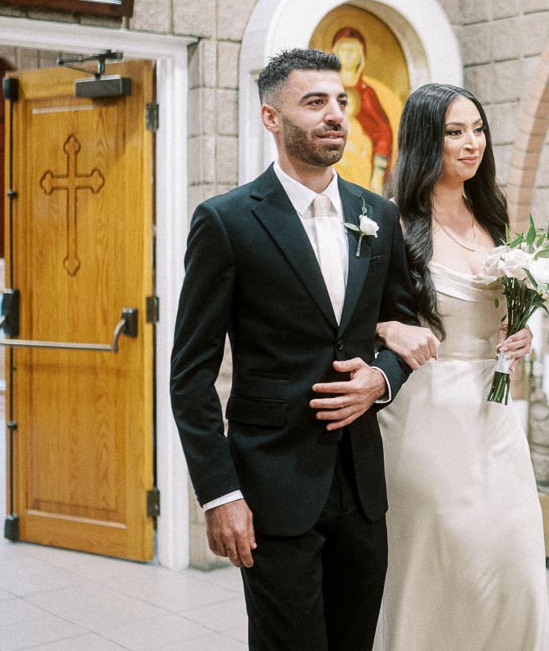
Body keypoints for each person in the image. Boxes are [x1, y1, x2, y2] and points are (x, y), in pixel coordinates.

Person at [170, 48, 438, 650]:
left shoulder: (378, 215)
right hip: (272, 485)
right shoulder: (227, 221)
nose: (335, 114)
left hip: (361, 485)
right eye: (314, 103)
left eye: (340, 101)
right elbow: (190, 375)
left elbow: (401, 322)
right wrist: (221, 494)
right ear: (271, 117)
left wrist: (382, 379)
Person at [373, 82, 549, 651]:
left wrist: (522, 331)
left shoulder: (492, 216)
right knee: (444, 559)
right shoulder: (391, 224)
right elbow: (347, 320)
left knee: (514, 561)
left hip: (493, 411)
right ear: (427, 140)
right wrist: (388, 329)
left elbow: (503, 310)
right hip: (425, 412)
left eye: (477, 129)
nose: (471, 143)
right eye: (454, 132)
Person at [331, 26, 394, 193]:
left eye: (353, 50)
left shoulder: (367, 94)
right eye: (343, 50)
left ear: (361, 55)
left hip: (362, 164)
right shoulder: (325, 88)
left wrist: (378, 175)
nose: (348, 55)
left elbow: (383, 133)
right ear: (334, 52)